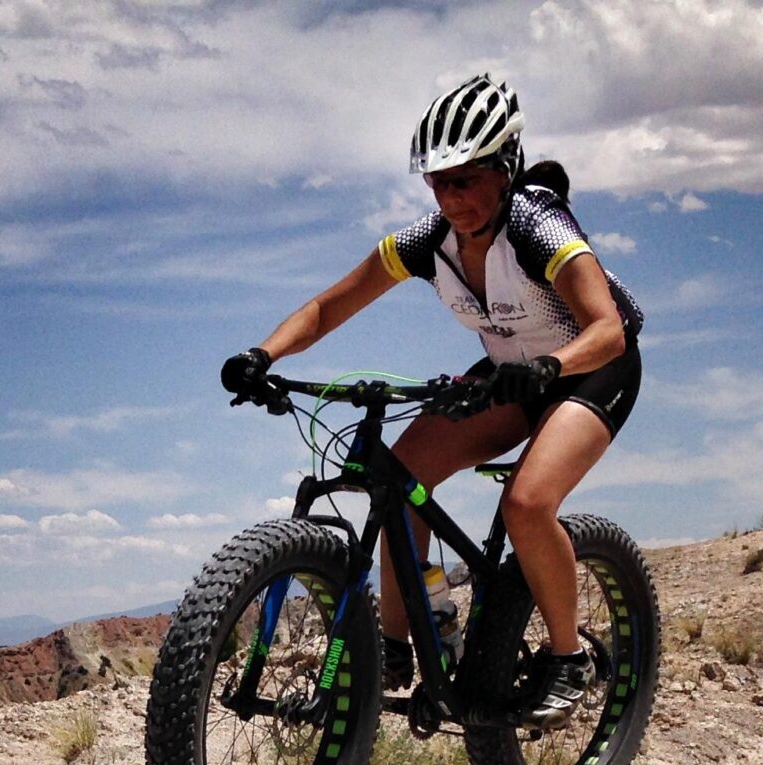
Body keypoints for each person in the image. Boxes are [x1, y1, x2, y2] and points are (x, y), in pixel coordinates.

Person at [220, 74, 643, 723]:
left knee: (528, 502)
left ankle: (569, 661)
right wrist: (262, 355)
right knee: (400, 475)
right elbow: (330, 305)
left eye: (466, 179)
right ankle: (410, 637)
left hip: (592, 368)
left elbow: (608, 329)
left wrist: (552, 365)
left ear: (506, 169)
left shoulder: (538, 225)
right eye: (438, 182)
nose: (451, 198)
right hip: (511, 373)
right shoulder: (426, 242)